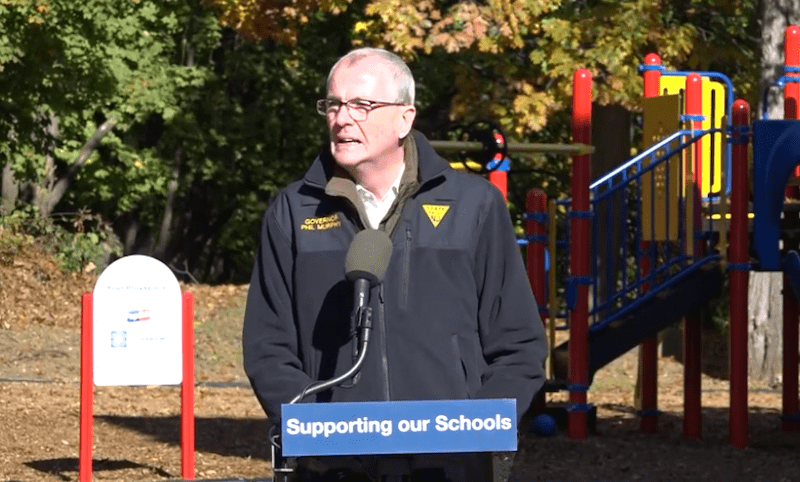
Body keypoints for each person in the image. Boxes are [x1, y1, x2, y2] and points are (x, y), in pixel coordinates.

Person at [243, 47, 548, 481]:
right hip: (332, 465)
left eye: (361, 105)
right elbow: (267, 345)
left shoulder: (474, 205)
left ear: (405, 118)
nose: (342, 118)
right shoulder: (293, 212)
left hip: (449, 463)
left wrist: (478, 428)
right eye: (334, 104)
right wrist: (313, 429)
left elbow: (519, 343)